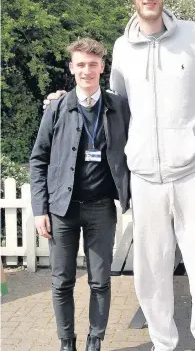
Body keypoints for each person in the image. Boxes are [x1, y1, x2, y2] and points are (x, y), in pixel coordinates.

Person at [44, 0, 195, 351]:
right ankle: (163, 343)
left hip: (193, 173)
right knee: (151, 274)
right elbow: (114, 106)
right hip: (146, 182)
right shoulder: (122, 49)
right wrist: (63, 100)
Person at [30, 38, 130, 351]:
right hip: (62, 210)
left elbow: (152, 126)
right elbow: (39, 159)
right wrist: (39, 209)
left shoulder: (119, 107)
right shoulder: (58, 107)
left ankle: (95, 340)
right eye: (81, 64)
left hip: (101, 209)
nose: (87, 70)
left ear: (102, 67)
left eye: (93, 64)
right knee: (62, 282)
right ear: (72, 68)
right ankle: (66, 342)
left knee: (100, 281)